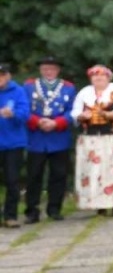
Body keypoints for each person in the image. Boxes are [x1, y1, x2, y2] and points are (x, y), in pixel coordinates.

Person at [71, 64, 113, 216]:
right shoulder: (84, 93)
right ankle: (99, 206)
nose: (98, 78)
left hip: (110, 136)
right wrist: (81, 116)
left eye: (102, 75)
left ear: (108, 77)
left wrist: (107, 114)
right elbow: (75, 112)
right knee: (93, 172)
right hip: (90, 138)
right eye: (94, 76)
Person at [23, 57, 76, 223]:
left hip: (58, 136)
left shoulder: (68, 87)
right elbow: (24, 108)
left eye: (52, 68)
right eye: (45, 68)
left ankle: (54, 209)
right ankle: (32, 211)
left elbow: (73, 111)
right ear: (40, 69)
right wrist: (37, 121)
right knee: (33, 176)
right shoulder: (29, 86)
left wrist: (56, 123)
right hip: (36, 137)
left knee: (58, 175)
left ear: (58, 70)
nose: (48, 71)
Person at [0, 64, 26, 227]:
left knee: (12, 180)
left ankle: (10, 215)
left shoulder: (18, 91)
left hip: (13, 144)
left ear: (8, 76)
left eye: (2, 75)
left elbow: (25, 114)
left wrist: (13, 114)